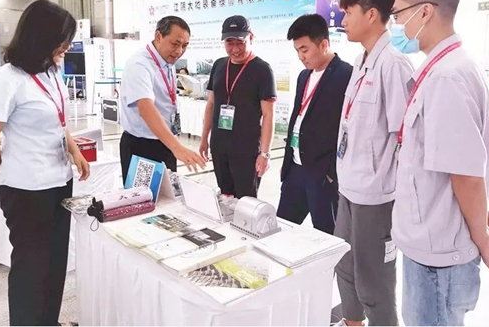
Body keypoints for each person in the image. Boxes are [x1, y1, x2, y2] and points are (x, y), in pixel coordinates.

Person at [388, 0, 489, 326]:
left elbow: (466, 176)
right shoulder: (447, 67)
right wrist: (481, 216)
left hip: (438, 257)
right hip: (433, 244)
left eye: (398, 13)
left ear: (425, 12)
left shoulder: (447, 76)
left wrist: (481, 235)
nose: (396, 24)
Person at [0, 0, 90, 326]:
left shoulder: (51, 71)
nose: (67, 46)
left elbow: (59, 122)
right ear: (40, 36)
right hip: (26, 190)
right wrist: (4, 173)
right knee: (31, 267)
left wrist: (74, 150)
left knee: (55, 261)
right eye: (63, 39)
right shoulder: (7, 79)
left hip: (59, 180)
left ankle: (49, 321)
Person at [333, 0, 414, 326]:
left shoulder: (393, 65)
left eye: (348, 12)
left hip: (376, 197)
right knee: (345, 268)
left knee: (374, 282)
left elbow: (406, 140)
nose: (343, 20)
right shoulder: (360, 61)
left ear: (371, 14)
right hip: (349, 187)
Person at [276, 14, 352, 234]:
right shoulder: (304, 76)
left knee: (327, 235)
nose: (301, 56)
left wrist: (332, 171)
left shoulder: (346, 75)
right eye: (297, 51)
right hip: (295, 169)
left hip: (322, 174)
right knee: (281, 229)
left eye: (305, 49)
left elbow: (348, 128)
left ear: (324, 44)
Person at [119, 16, 205, 183]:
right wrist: (177, 147)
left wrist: (173, 145)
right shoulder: (139, 64)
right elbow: (146, 108)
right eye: (175, 44)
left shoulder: (167, 62)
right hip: (142, 146)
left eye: (184, 46)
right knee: (143, 197)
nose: (179, 51)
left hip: (165, 141)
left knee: (168, 196)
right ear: (158, 36)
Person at [199, 15, 276, 198]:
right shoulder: (219, 65)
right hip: (219, 145)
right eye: (229, 43)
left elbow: (268, 115)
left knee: (245, 201)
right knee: (225, 197)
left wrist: (265, 153)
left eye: (240, 42)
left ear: (251, 37)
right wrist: (204, 138)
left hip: (246, 149)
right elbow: (211, 104)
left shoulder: (262, 70)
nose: (235, 49)